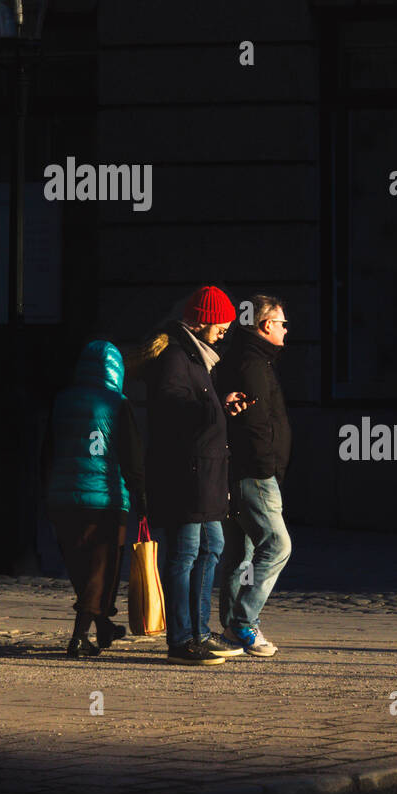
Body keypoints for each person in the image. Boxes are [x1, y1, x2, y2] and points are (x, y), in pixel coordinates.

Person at [141, 285, 248, 666]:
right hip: (185, 476)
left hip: (205, 474)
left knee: (211, 548)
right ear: (202, 320)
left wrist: (222, 405)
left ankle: (199, 632)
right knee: (185, 554)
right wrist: (209, 409)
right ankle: (183, 638)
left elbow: (196, 405)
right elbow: (173, 407)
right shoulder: (175, 356)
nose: (224, 330)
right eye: (221, 323)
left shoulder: (197, 357)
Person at [42, 339, 146, 658]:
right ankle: (78, 637)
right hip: (105, 500)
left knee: (81, 567)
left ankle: (102, 628)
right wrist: (141, 495)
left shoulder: (62, 401)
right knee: (103, 569)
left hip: (63, 500)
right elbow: (132, 457)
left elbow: (48, 450)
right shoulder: (117, 403)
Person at [214, 295, 292, 657]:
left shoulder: (246, 359)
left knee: (240, 552)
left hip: (237, 470)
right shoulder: (253, 363)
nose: (285, 329)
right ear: (264, 326)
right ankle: (242, 624)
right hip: (253, 474)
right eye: (281, 323)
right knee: (277, 545)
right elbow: (256, 423)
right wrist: (266, 469)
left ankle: (232, 627)